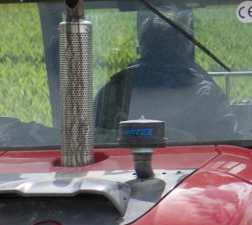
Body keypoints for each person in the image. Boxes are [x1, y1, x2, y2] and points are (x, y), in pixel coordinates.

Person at [97, 12, 231, 139]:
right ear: (186, 48)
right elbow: (229, 144)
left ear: (142, 47)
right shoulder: (208, 96)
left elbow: (94, 137)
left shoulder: (113, 91)